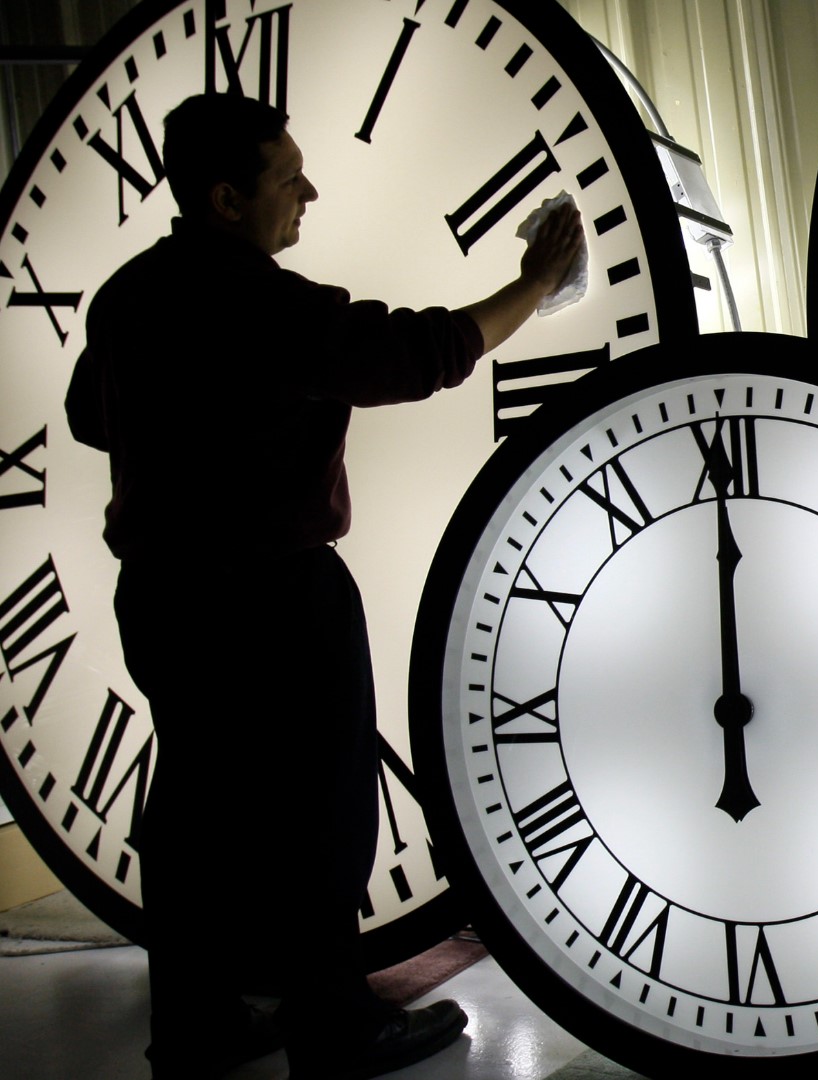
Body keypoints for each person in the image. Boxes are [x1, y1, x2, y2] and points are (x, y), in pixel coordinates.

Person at [63, 92, 584, 1080]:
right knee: (319, 811)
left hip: (163, 593)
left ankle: (197, 1023)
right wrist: (537, 282)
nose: (309, 193)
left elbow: (94, 415)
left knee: (195, 812)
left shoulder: (128, 297)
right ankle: (333, 1023)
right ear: (227, 199)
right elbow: (418, 354)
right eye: (287, 176)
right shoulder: (258, 304)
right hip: (275, 596)